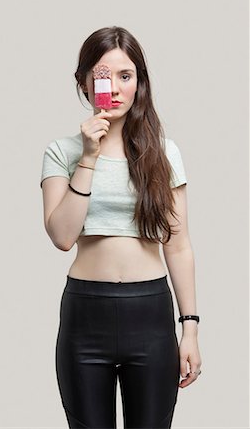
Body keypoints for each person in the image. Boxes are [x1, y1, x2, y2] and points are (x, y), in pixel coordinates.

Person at [40, 26, 202, 429]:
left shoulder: (163, 153)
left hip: (149, 315)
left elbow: (178, 246)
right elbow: (62, 236)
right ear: (83, 82)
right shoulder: (62, 152)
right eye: (102, 75)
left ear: (139, 83)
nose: (113, 87)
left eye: (125, 76)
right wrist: (90, 157)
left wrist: (191, 328)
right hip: (85, 315)